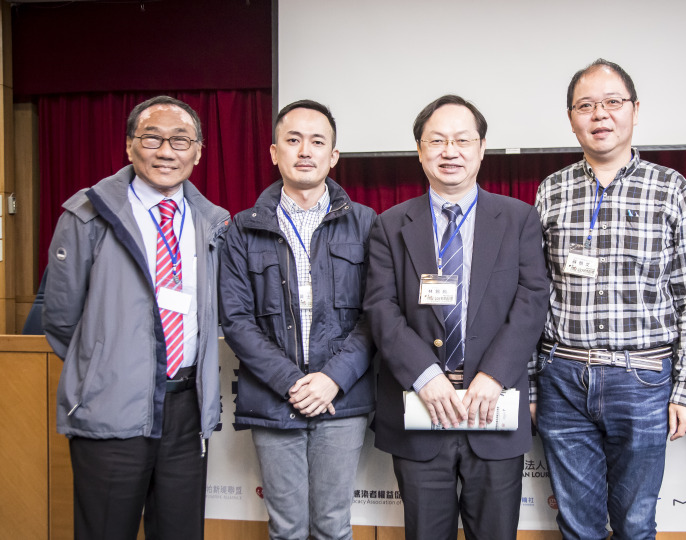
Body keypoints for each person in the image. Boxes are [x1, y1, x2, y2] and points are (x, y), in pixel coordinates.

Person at [534, 59, 686, 539]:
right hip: (562, 378)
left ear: (635, 110)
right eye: (586, 105)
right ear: (571, 118)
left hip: (642, 380)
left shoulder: (670, 188)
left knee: (636, 525)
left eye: (612, 102)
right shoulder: (551, 191)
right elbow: (533, 294)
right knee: (577, 526)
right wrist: (532, 385)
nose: (600, 114)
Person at [42, 95, 229, 540]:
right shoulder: (88, 215)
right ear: (129, 146)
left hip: (185, 408)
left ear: (198, 152)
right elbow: (62, 320)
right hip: (112, 406)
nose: (166, 151)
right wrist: (106, 369)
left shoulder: (213, 222)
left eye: (180, 140)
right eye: (151, 138)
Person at [364, 94, 550, 540]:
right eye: (438, 140)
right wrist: (425, 375)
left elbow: (532, 300)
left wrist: (495, 374)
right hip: (421, 408)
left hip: (493, 407)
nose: (451, 151)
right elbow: (381, 307)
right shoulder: (390, 224)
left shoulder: (519, 219)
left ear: (481, 148)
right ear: (420, 150)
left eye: (463, 140)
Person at [219, 99, 375, 540]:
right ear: (274, 152)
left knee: (332, 526)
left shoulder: (366, 223)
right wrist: (292, 382)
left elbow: (376, 314)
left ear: (333, 155)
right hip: (274, 397)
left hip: (341, 397)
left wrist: (331, 379)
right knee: (286, 528)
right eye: (293, 140)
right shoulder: (242, 229)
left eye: (317, 141)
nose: (305, 150)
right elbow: (236, 319)